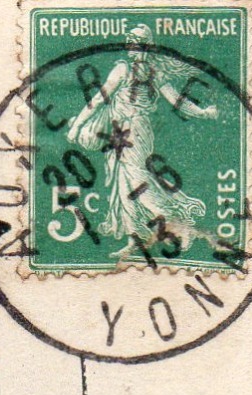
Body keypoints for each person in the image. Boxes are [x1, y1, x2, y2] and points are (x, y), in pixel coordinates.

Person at [66, 25, 221, 260]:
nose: (132, 45)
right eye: (130, 40)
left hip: (137, 130)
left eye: (137, 41)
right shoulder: (122, 68)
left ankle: (176, 220)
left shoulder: (154, 73)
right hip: (118, 131)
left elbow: (177, 100)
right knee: (122, 184)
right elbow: (100, 99)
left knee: (137, 179)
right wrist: (78, 124)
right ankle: (134, 240)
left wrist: (203, 112)